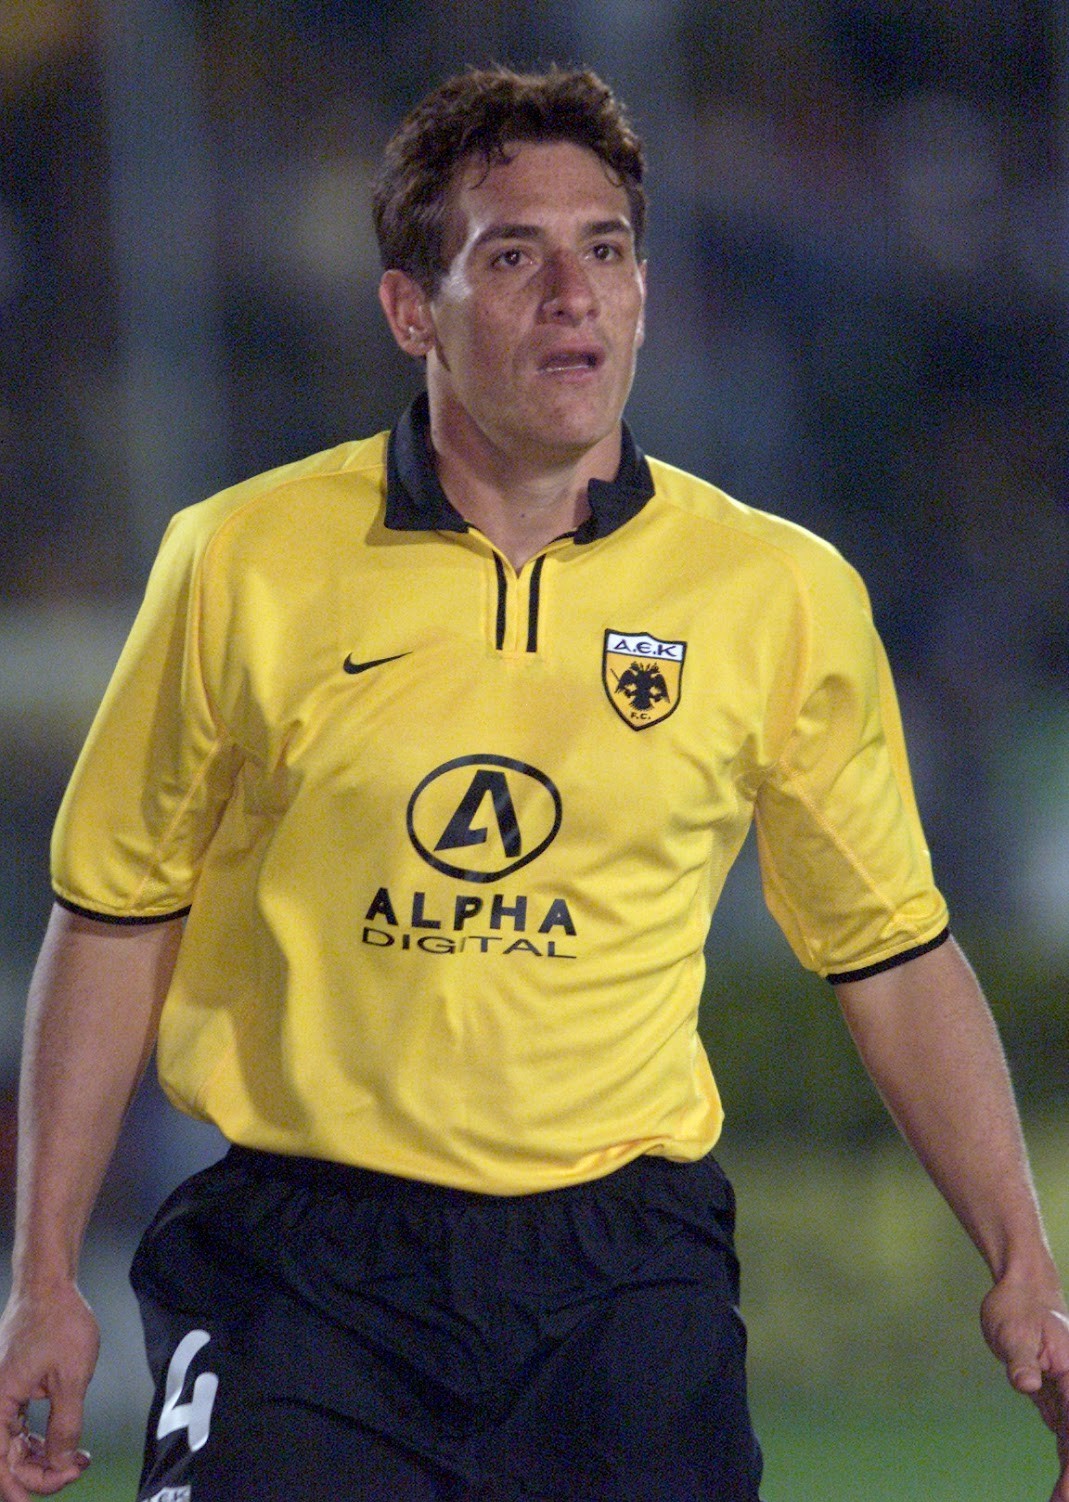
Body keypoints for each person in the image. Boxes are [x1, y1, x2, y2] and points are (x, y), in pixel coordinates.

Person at [0, 63, 1066, 1502]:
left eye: (605, 251)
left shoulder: (778, 592)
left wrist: (1023, 1260)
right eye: (513, 257)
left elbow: (890, 952)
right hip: (303, 1271)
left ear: (643, 292)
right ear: (409, 310)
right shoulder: (240, 559)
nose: (574, 296)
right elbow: (115, 912)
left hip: (621, 1279)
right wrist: (41, 1275)